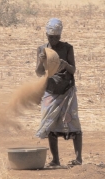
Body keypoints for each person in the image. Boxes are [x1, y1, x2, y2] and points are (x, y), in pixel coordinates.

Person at [35, 18, 82, 166]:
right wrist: (41, 61)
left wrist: (65, 64)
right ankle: (55, 160)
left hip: (67, 91)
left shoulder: (67, 48)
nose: (53, 40)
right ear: (46, 36)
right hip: (51, 91)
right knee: (51, 126)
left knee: (73, 124)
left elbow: (73, 70)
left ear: (60, 36)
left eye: (56, 37)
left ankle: (78, 159)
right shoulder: (42, 49)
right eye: (51, 37)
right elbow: (38, 72)